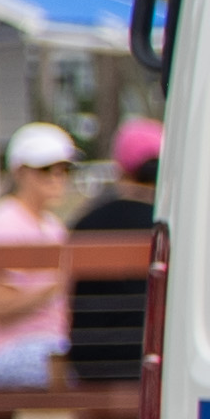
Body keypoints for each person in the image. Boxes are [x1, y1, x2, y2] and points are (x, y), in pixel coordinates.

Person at [0, 123, 81, 383]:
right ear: (20, 173)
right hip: (1, 350)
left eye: (63, 170)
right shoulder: (3, 223)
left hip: (46, 344)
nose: (56, 177)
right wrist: (55, 288)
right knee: (89, 372)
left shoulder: (51, 226)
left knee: (99, 365)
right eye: (45, 169)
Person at [62, 117, 164, 387]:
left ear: (121, 168)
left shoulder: (86, 222)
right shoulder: (168, 227)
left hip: (91, 362)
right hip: (154, 361)